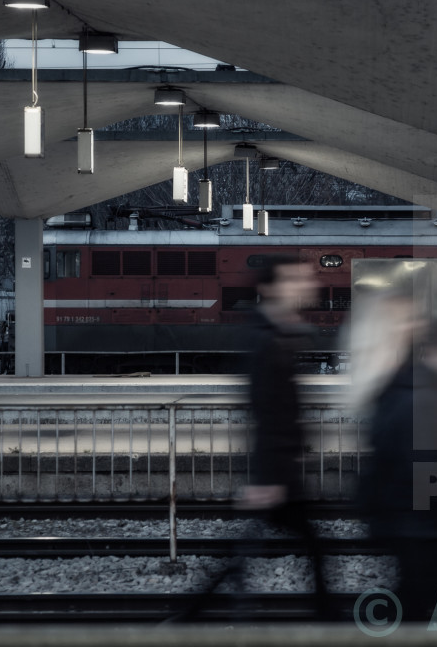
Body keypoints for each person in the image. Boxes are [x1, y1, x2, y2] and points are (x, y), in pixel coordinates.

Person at [181, 255, 336, 620]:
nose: (305, 285)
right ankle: (327, 619)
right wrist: (268, 476)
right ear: (270, 290)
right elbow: (265, 409)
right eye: (294, 280)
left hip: (279, 466)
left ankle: (193, 614)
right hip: (276, 471)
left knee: (255, 550)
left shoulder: (276, 333)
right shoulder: (266, 341)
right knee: (300, 548)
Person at [356, 315, 437, 622]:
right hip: (423, 527)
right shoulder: (424, 398)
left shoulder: (429, 391)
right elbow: (427, 468)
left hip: (420, 527)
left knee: (413, 606)